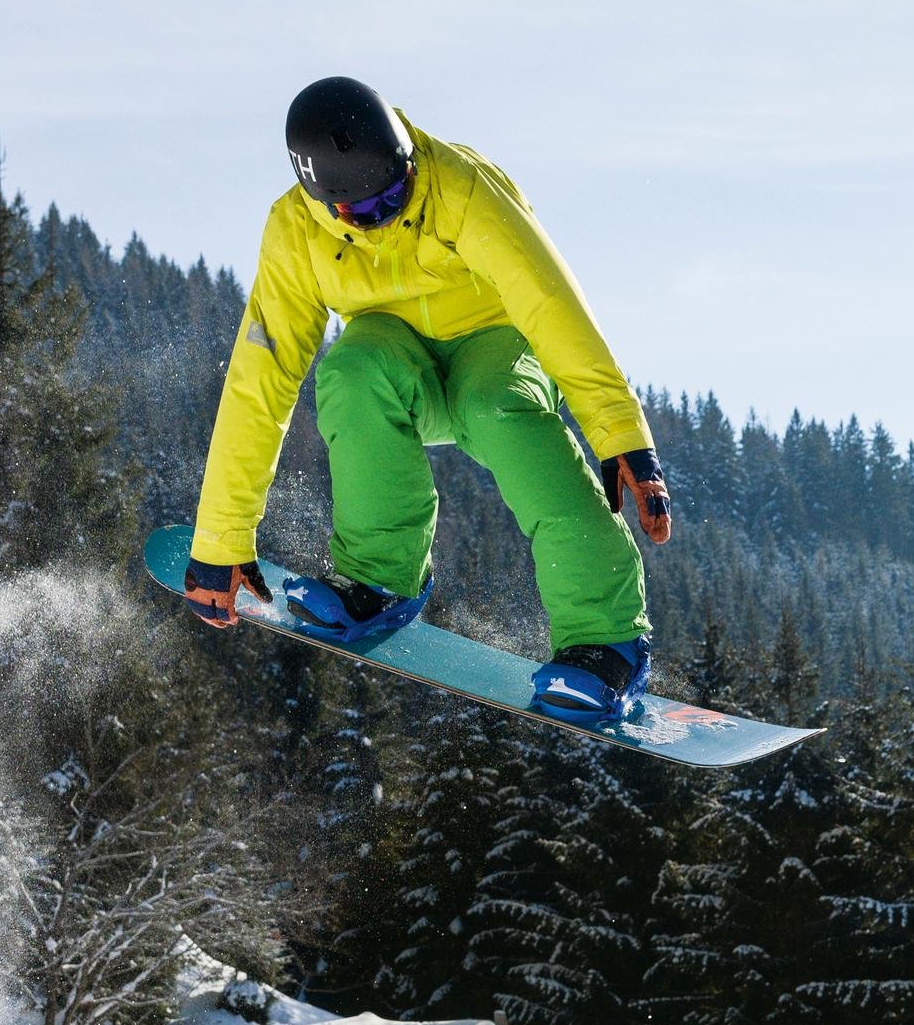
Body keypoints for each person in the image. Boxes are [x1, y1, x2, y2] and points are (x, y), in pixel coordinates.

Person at [179, 75, 671, 718]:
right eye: (364, 211)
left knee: (496, 407)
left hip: (494, 346)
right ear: (322, 201)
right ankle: (379, 577)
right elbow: (259, 381)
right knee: (351, 369)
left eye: (396, 192)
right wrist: (221, 539)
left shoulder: (460, 186)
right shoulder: (295, 232)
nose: (385, 216)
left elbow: (551, 305)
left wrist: (622, 435)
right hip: (398, 370)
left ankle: (605, 640)